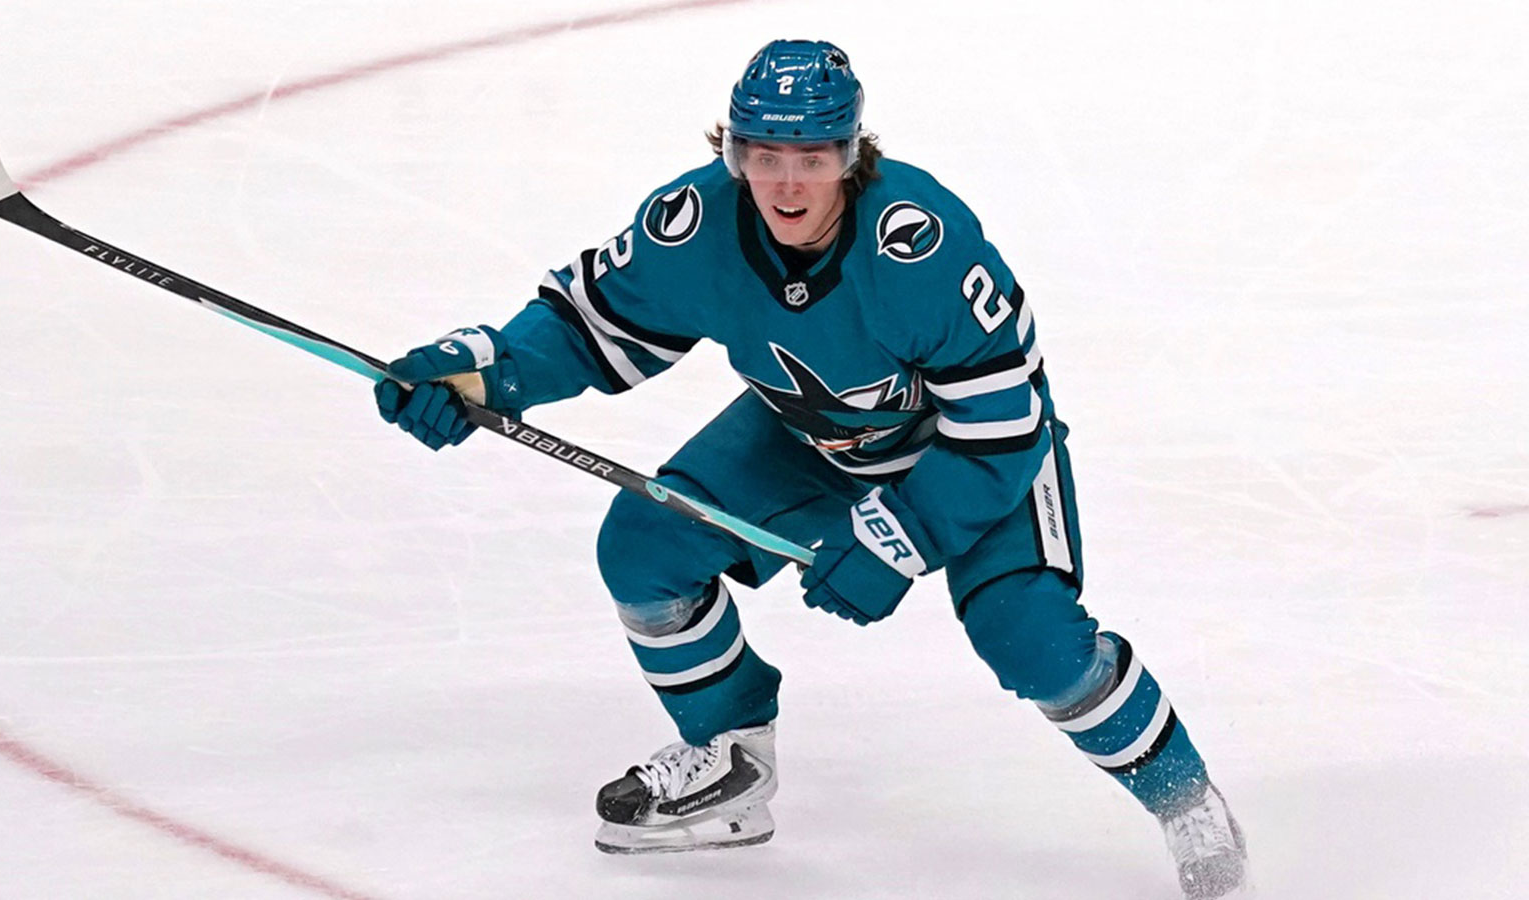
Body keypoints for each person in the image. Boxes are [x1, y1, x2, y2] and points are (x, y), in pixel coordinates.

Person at [374, 39, 1248, 898]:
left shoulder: (920, 244)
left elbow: (1002, 425)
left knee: (1028, 638)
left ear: (851, 155)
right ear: (733, 151)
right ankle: (732, 760)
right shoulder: (697, 224)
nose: (787, 182)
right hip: (813, 439)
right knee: (643, 548)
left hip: (973, 455)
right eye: (763, 155)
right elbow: (589, 329)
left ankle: (1183, 797)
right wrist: (487, 370)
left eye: (812, 156)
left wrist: (901, 538)